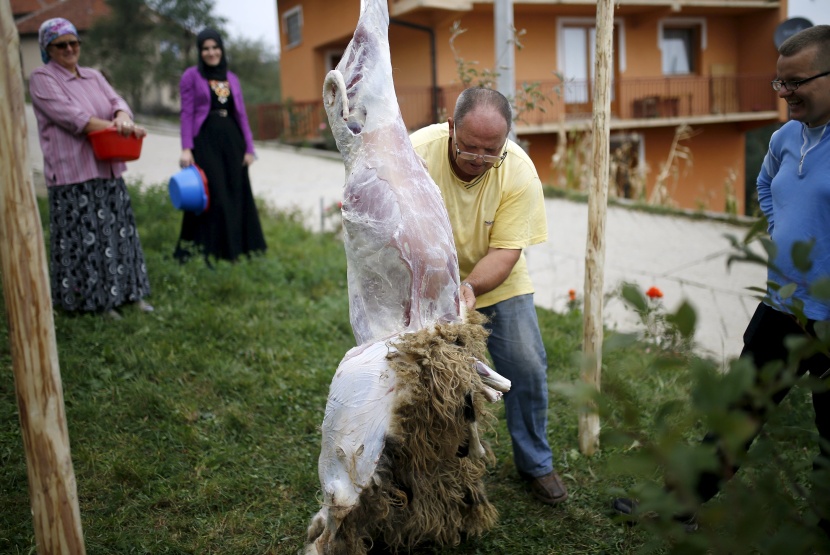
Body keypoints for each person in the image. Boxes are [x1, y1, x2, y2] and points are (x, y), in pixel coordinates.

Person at [614, 24, 830, 535]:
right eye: (780, 83)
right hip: (781, 307)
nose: (785, 94)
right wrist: (779, 229)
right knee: (734, 417)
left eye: (796, 82)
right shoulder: (784, 136)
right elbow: (764, 182)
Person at [409, 87, 568, 506]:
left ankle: (536, 462)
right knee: (425, 375)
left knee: (528, 367)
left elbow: (506, 253)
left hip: (497, 280)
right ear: (450, 129)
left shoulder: (518, 171)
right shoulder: (415, 154)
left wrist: (469, 288)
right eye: (470, 147)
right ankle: (426, 462)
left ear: (506, 141)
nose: (479, 158)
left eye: (490, 150)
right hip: (426, 279)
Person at [29, 17, 152, 320]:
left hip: (107, 168)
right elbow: (75, 118)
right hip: (73, 174)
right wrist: (119, 127)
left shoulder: (93, 76)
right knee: (86, 240)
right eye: (61, 45)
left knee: (120, 235)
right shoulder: (43, 78)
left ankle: (130, 294)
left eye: (74, 43)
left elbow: (116, 100)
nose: (70, 49)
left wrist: (123, 115)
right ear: (48, 48)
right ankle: (96, 303)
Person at [175, 28, 266, 263]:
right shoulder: (191, 76)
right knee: (213, 193)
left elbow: (241, 115)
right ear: (199, 51)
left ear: (221, 49)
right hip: (205, 140)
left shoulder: (231, 77)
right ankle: (209, 252)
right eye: (205, 48)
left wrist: (249, 148)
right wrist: (186, 147)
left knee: (236, 192)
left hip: (233, 142)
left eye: (215, 47)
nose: (211, 52)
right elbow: (186, 113)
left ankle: (237, 250)